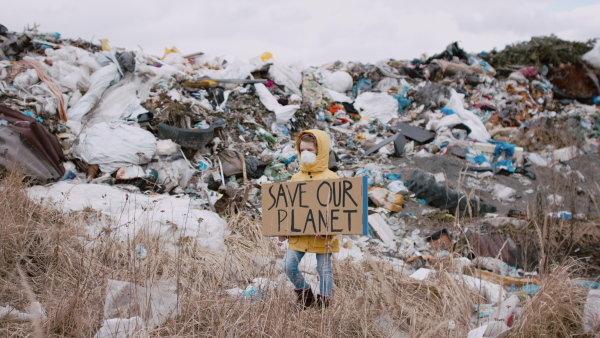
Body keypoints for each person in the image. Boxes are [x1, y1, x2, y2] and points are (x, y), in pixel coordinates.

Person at [280, 129, 339, 309]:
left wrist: (330, 229)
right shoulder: (296, 178)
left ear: (320, 151)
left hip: (324, 235)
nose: (305, 154)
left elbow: (340, 210)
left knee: (324, 269)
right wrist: (282, 229)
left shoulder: (332, 178)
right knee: (288, 265)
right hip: (299, 234)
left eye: (310, 150)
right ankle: (305, 295)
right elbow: (288, 206)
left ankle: (324, 303)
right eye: (302, 150)